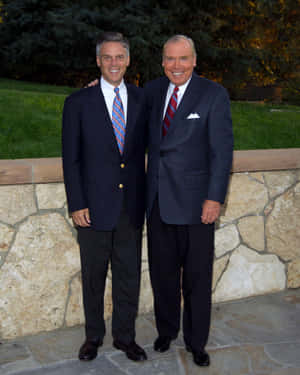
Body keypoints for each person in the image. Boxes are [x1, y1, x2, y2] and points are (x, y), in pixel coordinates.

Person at [145, 35, 233, 367]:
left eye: (183, 59)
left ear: (195, 60)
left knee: (196, 278)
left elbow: (221, 153)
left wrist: (214, 198)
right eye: (170, 59)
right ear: (162, 61)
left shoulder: (213, 94)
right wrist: (96, 87)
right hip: (157, 201)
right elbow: (121, 100)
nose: (176, 66)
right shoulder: (152, 92)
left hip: (197, 205)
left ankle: (197, 341)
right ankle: (166, 331)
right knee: (162, 275)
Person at [62, 32, 147, 362]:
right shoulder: (78, 103)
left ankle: (126, 338)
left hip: (130, 209)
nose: (114, 62)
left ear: (127, 60)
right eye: (107, 57)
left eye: (119, 57)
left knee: (129, 278)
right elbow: (71, 159)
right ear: (98, 61)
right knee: (93, 277)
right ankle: (93, 337)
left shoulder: (143, 101)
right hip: (93, 209)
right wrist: (76, 203)